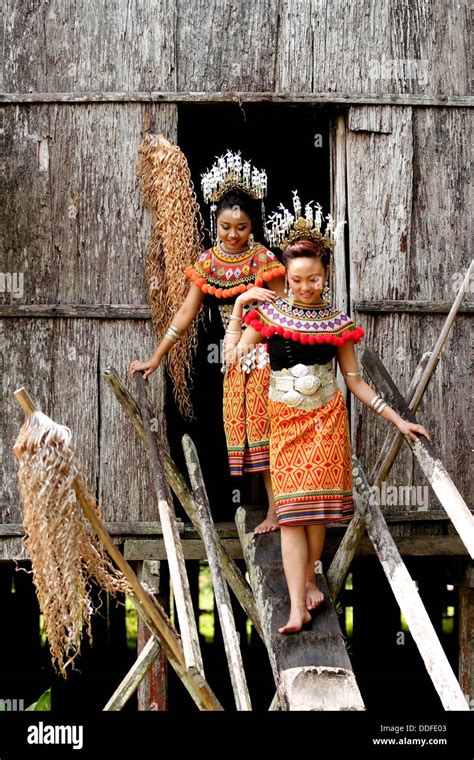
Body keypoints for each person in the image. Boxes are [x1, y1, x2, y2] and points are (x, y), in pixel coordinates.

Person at [223, 194, 431, 634]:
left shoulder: (339, 325)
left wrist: (397, 419)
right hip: (284, 421)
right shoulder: (269, 316)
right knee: (291, 513)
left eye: (313, 279)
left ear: (326, 275)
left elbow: (354, 382)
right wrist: (241, 308)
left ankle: (308, 585)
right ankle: (298, 605)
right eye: (297, 280)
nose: (304, 288)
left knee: (312, 512)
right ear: (287, 275)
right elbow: (234, 357)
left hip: (326, 421)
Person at [130, 151, 286, 533]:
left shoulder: (264, 260)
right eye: (226, 226)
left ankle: (277, 510)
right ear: (215, 220)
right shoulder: (208, 263)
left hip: (269, 355)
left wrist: (252, 336)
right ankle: (266, 508)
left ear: (254, 226)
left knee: (268, 429)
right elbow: (184, 314)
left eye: (242, 228)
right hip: (235, 359)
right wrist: (157, 357)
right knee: (245, 432)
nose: (233, 235)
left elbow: (284, 309)